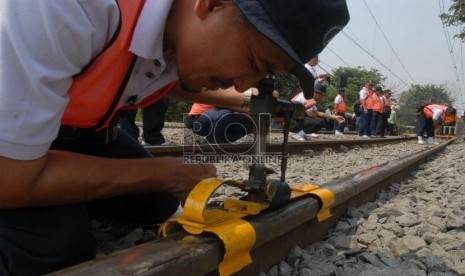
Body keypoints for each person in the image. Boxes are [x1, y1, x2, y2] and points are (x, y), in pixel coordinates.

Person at [0, 0, 349, 274]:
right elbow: (9, 178)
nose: (244, 83)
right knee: (55, 248)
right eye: (254, 61)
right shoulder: (68, 8)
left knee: (156, 201)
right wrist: (164, 171)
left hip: (69, 134)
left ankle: (59, 189)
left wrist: (250, 104)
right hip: (10, 161)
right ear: (213, 3)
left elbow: (169, 78)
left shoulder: (175, 25)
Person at [184, 102, 254, 144]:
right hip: (199, 121)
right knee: (227, 114)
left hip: (213, 117)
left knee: (249, 124)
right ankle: (211, 141)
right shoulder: (223, 83)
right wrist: (246, 112)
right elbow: (223, 104)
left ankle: (220, 143)